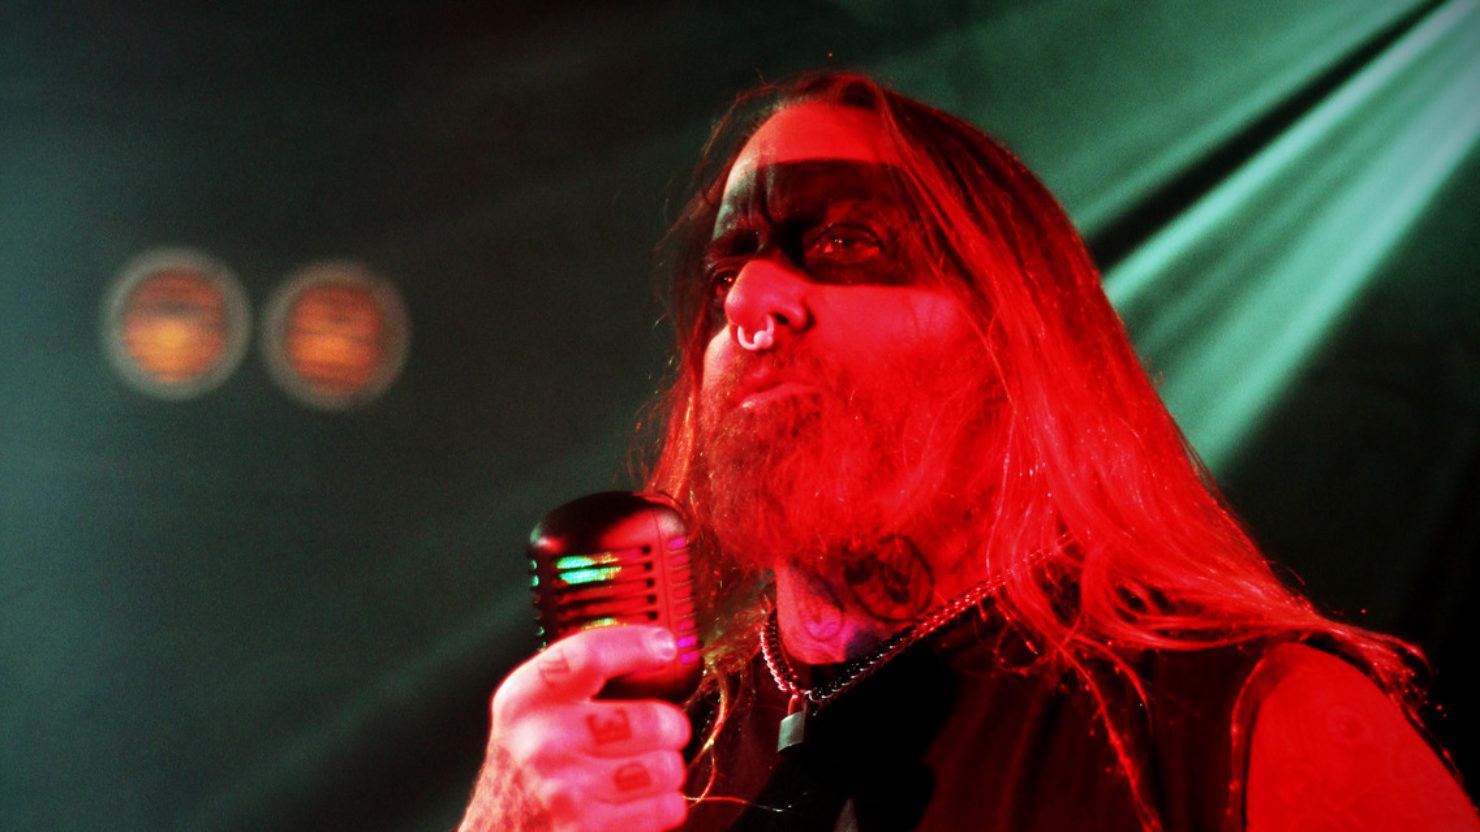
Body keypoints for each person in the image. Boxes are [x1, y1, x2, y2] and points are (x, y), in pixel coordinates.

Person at [457, 72, 1478, 831]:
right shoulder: (644, 760)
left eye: (846, 241)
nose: (749, 300)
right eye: (729, 268)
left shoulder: (1249, 723)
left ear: (1011, 339)